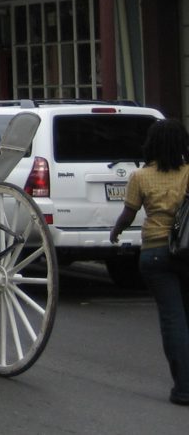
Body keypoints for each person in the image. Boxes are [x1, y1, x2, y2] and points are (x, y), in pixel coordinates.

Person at [110, 118, 189, 406]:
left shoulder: (140, 177)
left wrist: (116, 231)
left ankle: (183, 388)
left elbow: (129, 214)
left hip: (156, 252)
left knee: (173, 319)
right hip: (188, 252)